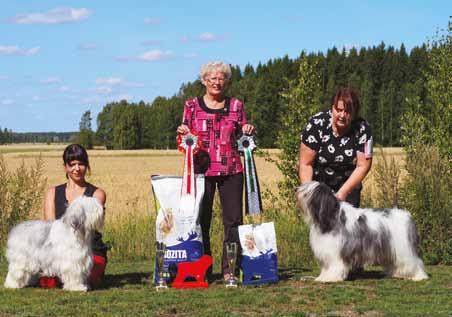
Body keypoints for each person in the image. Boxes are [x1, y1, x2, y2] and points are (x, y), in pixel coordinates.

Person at [177, 61, 255, 281]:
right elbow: (184, 136)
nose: (216, 82)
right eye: (212, 78)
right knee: (201, 221)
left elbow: (243, 133)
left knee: (233, 222)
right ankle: (203, 269)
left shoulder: (236, 105)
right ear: (204, 81)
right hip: (201, 170)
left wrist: (247, 129)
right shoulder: (191, 106)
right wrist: (182, 132)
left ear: (226, 81)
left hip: (232, 169)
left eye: (221, 78)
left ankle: (230, 270)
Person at [41, 143, 108, 289]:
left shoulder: (97, 194)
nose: (77, 168)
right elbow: (51, 230)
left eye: (81, 164)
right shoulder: (52, 193)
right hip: (60, 250)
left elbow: (88, 226)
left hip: (89, 249)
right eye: (72, 164)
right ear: (65, 167)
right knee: (49, 281)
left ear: (87, 166)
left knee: (87, 276)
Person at [299, 87, 373, 207]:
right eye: (338, 110)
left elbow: (363, 166)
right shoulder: (316, 124)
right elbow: (306, 164)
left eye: (348, 111)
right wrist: (308, 194)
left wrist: (342, 194)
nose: (342, 115)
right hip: (320, 189)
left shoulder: (363, 128)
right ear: (332, 108)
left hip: (349, 189)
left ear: (354, 113)